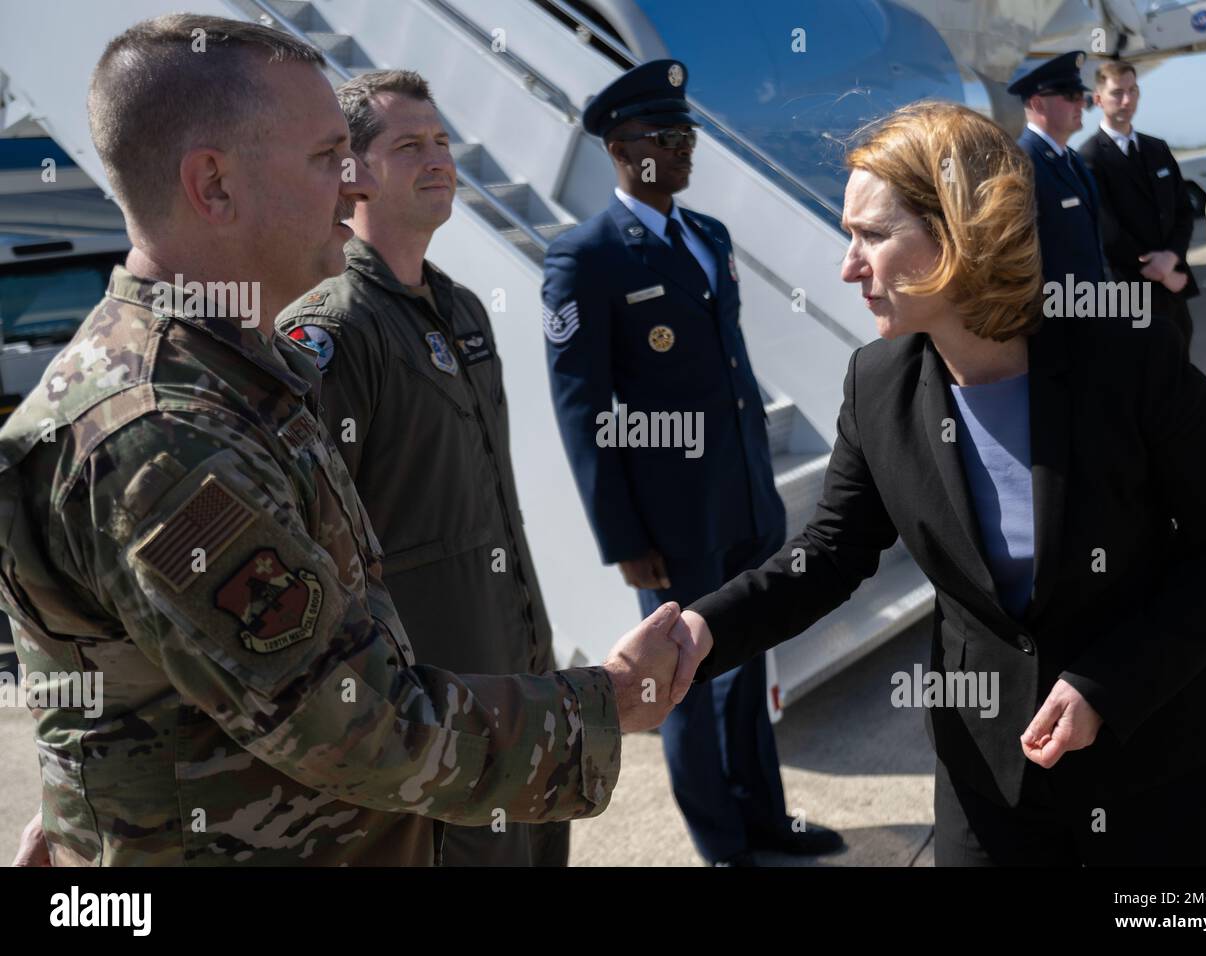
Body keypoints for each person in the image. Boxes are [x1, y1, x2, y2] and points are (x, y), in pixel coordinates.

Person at [0, 15, 680, 867]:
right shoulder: (164, 436)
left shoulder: (230, 375)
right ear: (213, 184)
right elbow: (363, 728)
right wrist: (612, 701)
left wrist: (83, 796)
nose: (352, 187)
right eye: (329, 158)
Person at [666, 100, 1206, 866]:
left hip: (1160, 772)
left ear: (962, 234)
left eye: (873, 236)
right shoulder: (877, 383)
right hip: (990, 784)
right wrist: (700, 631)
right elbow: (830, 552)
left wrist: (1108, 684)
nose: (849, 265)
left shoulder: (1126, 356)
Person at [542, 59, 842, 866]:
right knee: (687, 688)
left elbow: (734, 372)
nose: (686, 149)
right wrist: (623, 534)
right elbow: (584, 411)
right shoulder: (587, 256)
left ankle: (766, 819)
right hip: (670, 523)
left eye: (688, 134)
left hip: (743, 500)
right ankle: (723, 847)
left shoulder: (708, 237)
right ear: (620, 148)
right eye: (667, 138)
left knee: (747, 664)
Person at [277, 70, 567, 867]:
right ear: (351, 171)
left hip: (520, 684)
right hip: (432, 720)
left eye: (442, 141)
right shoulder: (333, 327)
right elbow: (317, 542)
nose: (439, 158)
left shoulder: (463, 308)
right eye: (410, 145)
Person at [1078, 60, 1197, 357]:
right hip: (1132, 289)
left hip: (1173, 284)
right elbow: (1108, 230)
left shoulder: (1157, 149)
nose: (1127, 100)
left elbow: (1183, 211)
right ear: (1098, 99)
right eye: (1117, 93)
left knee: (1182, 370)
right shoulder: (1090, 158)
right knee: (1147, 376)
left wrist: (1172, 257)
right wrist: (1158, 270)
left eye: (1132, 91)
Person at [1009, 51, 1106, 289]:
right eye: (1071, 95)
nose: (1082, 103)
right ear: (1037, 103)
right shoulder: (1021, 164)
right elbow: (1015, 258)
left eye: (1080, 95)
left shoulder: (1072, 159)